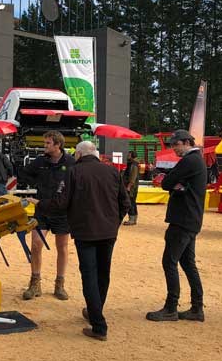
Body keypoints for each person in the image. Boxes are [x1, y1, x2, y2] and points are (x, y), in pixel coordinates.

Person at [38, 141, 130, 341]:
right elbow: (125, 201)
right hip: (108, 232)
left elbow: (61, 203)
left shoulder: (73, 171)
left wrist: (41, 204)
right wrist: (114, 222)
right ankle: (94, 311)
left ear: (79, 154)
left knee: (89, 275)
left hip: (85, 232)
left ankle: (98, 325)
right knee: (103, 273)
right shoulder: (112, 172)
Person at [146, 129, 207, 323]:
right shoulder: (197, 160)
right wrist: (175, 183)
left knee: (169, 261)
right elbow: (172, 182)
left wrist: (174, 182)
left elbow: (167, 183)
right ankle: (197, 307)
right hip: (191, 219)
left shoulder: (190, 160)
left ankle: (171, 307)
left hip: (182, 219)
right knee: (188, 263)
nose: (173, 148)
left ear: (186, 142)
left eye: (176, 144)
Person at [17, 130, 75, 301]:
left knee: (62, 247)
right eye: (45, 143)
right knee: (36, 244)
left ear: (58, 145)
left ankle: (60, 284)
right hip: (41, 210)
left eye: (48, 143)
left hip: (62, 212)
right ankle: (35, 283)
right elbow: (24, 173)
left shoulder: (71, 163)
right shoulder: (40, 161)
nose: (44, 146)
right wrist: (37, 183)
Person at [122, 150, 140, 225]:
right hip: (132, 187)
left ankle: (132, 219)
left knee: (130, 202)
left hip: (131, 188)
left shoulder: (133, 165)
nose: (127, 156)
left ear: (132, 155)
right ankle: (133, 218)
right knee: (132, 202)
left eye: (129, 155)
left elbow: (133, 177)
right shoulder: (132, 164)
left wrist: (129, 186)